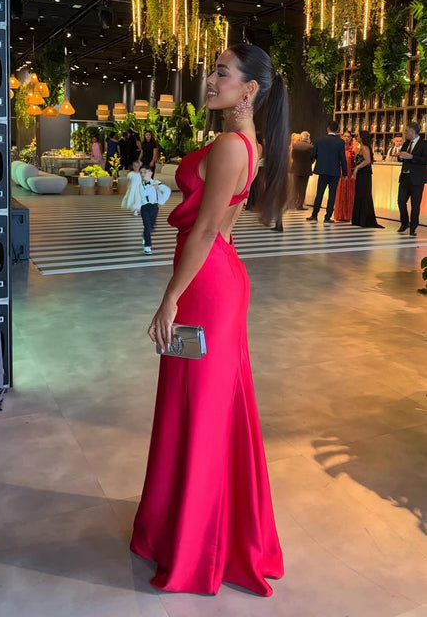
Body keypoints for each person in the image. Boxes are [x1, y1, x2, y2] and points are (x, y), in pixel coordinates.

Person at [131, 42, 288, 596]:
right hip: (219, 277)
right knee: (202, 407)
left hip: (206, 286)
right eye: (213, 70)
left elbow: (203, 231)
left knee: (199, 410)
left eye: (222, 72)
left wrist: (170, 298)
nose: (211, 79)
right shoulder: (249, 143)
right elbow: (221, 228)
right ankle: (193, 528)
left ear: (250, 89)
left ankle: (200, 544)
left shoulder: (229, 145)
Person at [306, 121, 348, 223]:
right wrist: (345, 173)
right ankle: (327, 217)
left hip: (323, 171)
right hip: (335, 172)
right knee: (332, 195)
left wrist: (320, 159)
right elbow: (342, 158)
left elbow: (312, 155)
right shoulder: (340, 142)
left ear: (328, 129)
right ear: (337, 130)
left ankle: (314, 215)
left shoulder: (319, 140)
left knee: (319, 193)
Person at [396, 122, 427, 237]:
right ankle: (404, 223)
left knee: (415, 204)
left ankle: (413, 227)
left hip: (417, 179)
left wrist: (412, 157)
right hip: (404, 177)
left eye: (406, 131)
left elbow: (425, 160)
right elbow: (401, 158)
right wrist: (400, 157)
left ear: (412, 132)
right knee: (400, 201)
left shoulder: (424, 144)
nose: (405, 133)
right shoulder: (406, 143)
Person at [351, 131, 384, 229]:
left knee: (364, 195)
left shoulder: (365, 147)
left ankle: (364, 220)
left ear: (362, 137)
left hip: (365, 174)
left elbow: (367, 161)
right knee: (360, 195)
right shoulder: (361, 147)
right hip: (362, 174)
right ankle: (359, 219)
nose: (356, 137)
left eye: (358, 136)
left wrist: (357, 168)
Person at [139, 166, 171, 254]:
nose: (143, 174)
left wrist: (161, 201)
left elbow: (167, 190)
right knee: (147, 226)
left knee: (151, 226)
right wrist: (153, 187)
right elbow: (143, 194)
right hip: (145, 207)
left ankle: (145, 236)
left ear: (150, 173)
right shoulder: (141, 185)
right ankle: (147, 246)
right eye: (141, 173)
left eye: (145, 172)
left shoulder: (157, 183)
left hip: (154, 207)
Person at [333, 130, 357, 222]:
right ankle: (340, 214)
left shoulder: (353, 149)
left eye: (348, 137)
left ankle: (348, 215)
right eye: (345, 136)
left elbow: (354, 163)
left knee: (349, 193)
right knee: (340, 193)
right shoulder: (338, 148)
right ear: (342, 137)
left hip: (349, 174)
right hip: (339, 173)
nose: (346, 138)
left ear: (351, 139)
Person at [290, 130, 313, 210]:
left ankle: (293, 203)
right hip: (305, 169)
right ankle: (300, 204)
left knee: (295, 187)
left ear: (301, 137)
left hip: (296, 168)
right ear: (308, 138)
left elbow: (293, 156)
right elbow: (312, 158)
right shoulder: (310, 147)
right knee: (303, 188)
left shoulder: (295, 145)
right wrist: (309, 163)